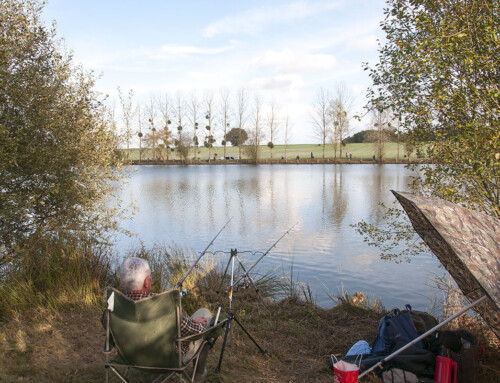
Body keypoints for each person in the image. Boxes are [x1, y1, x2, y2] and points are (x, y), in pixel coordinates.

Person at [119, 257, 212, 381]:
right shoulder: (164, 305)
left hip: (130, 356)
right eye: (150, 276)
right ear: (146, 282)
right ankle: (199, 374)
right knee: (204, 314)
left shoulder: (115, 306)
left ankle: (156, 375)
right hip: (167, 359)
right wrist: (199, 323)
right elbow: (191, 330)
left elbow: (107, 327)